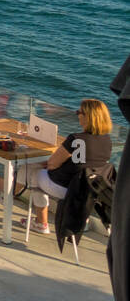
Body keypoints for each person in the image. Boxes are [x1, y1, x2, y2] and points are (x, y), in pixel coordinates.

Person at [14, 99, 114, 234]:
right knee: (36, 170)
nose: (78, 115)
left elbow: (52, 163)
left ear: (87, 117)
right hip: (88, 190)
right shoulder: (107, 141)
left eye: (79, 112)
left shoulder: (76, 139)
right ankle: (82, 222)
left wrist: (49, 165)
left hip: (66, 188)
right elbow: (88, 162)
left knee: (34, 173)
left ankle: (40, 222)